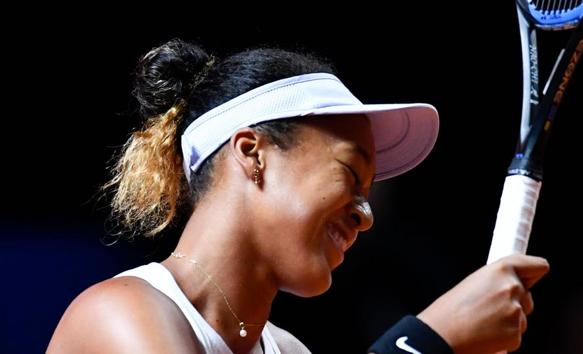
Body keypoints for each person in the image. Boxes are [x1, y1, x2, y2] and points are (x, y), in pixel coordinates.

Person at [47, 38, 549, 354]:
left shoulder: (287, 348)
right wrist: (426, 341)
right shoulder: (119, 312)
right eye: (350, 175)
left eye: (368, 194)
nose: (366, 216)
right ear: (253, 153)